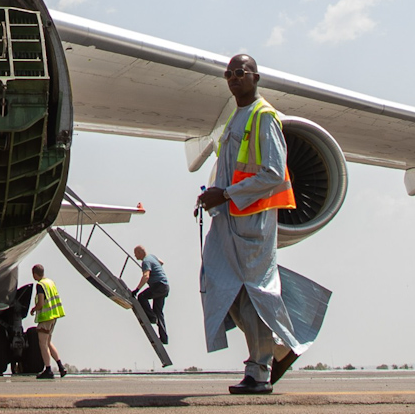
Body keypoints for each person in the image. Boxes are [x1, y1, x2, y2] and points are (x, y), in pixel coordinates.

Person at [197, 54, 307, 397]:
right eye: (228, 73)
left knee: (250, 294)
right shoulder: (236, 118)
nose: (233, 77)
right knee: (217, 284)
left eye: (240, 72)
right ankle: (275, 350)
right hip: (229, 218)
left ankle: (260, 371)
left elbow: (274, 173)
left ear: (255, 77)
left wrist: (227, 194)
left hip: (252, 221)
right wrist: (213, 197)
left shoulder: (264, 117)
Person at [29, 264, 67, 379]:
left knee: (42, 343)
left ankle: (48, 369)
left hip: (46, 317)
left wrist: (33, 309)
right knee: (48, 342)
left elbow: (40, 303)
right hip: (54, 316)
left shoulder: (40, 285)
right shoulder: (50, 282)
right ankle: (61, 367)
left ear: (35, 274)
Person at [130, 245, 170, 345]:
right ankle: (164, 338)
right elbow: (161, 262)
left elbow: (146, 276)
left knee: (142, 297)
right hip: (165, 286)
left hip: (158, 286)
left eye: (136, 254)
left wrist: (136, 290)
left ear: (140, 252)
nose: (135, 256)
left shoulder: (146, 261)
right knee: (158, 312)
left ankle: (152, 318)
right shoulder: (152, 257)